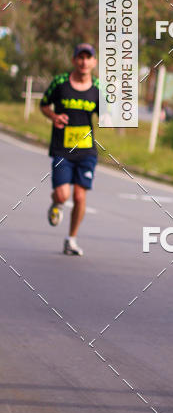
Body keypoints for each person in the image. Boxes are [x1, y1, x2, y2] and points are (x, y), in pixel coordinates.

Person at [41, 43, 100, 256]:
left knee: (80, 197)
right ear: (74, 60)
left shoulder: (98, 88)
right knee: (63, 194)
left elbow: (106, 115)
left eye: (88, 58)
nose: (84, 62)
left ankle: (71, 239)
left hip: (86, 150)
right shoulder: (60, 83)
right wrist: (54, 116)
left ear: (94, 62)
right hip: (62, 148)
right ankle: (56, 203)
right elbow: (44, 105)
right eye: (80, 57)